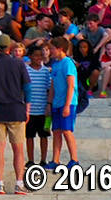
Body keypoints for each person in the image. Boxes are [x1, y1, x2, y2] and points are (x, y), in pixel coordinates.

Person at [0, 36, 29, 195]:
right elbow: (27, 88)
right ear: (10, 47)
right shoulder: (19, 63)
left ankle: (0, 184)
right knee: (18, 150)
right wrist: (27, 108)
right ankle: (18, 183)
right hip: (16, 109)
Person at [47, 36, 80, 167]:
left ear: (60, 49)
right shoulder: (55, 65)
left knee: (67, 131)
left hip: (68, 102)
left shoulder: (68, 63)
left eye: (52, 49)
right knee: (56, 131)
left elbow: (71, 85)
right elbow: (53, 86)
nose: (50, 52)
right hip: (56, 102)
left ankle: (74, 159)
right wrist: (49, 103)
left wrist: (67, 105)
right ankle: (55, 160)